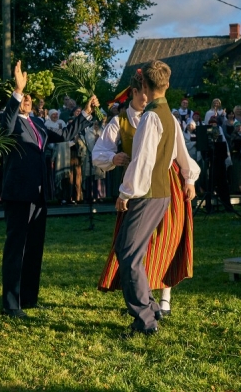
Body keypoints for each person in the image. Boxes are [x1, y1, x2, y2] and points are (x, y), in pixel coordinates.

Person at [93, 69, 198, 318]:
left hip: (155, 185)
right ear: (134, 92)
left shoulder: (159, 117)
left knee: (160, 243)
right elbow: (100, 153)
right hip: (141, 185)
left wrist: (188, 177)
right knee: (133, 248)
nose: (142, 97)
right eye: (138, 93)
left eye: (144, 91)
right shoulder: (122, 121)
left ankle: (157, 305)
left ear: (148, 89)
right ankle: (146, 303)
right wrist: (113, 158)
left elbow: (168, 155)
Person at [0, 60, 97, 318]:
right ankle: (11, 303)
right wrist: (17, 91)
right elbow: (4, 127)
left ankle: (28, 298)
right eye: (24, 96)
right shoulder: (8, 121)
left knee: (34, 248)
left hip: (39, 194)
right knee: (16, 248)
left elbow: (64, 136)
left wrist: (85, 113)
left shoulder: (39, 124)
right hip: (18, 193)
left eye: (30, 97)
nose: (27, 100)